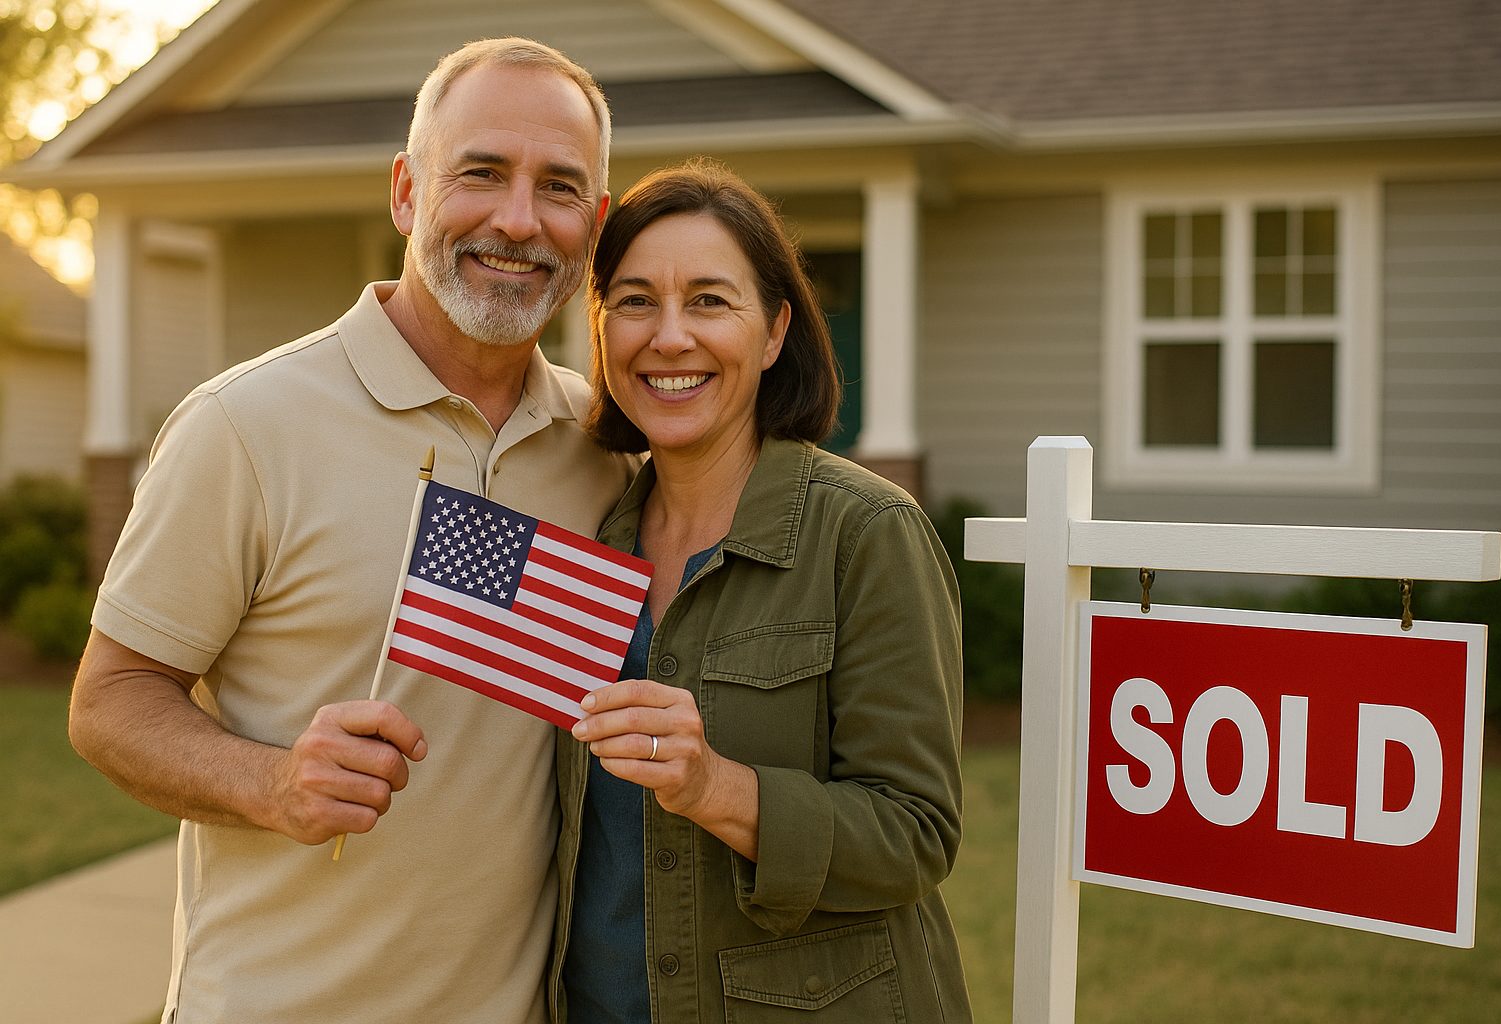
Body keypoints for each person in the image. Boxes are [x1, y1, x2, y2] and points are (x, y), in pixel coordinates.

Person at [67, 38, 632, 1023]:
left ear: (597, 222)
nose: (518, 219)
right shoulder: (246, 425)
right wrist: (274, 782)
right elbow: (109, 702)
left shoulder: (607, 448)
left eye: (559, 187)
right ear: (408, 192)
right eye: (481, 172)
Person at [552, 159, 972, 1022]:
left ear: (775, 331)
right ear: (600, 328)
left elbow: (917, 834)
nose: (670, 337)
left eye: (710, 301)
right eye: (635, 301)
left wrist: (717, 788)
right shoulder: (586, 544)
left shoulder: (866, 533)